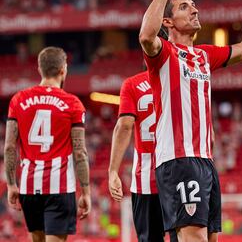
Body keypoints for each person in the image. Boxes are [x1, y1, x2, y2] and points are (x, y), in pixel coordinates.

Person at [138, 0, 242, 242]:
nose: (195, 10)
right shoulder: (164, 54)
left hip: (205, 161)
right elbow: (147, 36)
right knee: (193, 237)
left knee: (209, 238)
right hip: (178, 159)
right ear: (169, 22)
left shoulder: (204, 55)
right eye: (185, 7)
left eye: (194, 5)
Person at [4, 46, 91, 242]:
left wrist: (11, 185)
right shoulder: (72, 103)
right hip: (59, 188)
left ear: (39, 69)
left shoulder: (18, 100)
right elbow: (80, 152)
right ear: (63, 70)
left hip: (29, 187)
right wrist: (85, 192)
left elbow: (9, 147)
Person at [108, 70, 177, 242]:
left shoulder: (132, 84)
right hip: (180, 172)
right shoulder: (181, 79)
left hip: (146, 178)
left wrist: (113, 171)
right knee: (185, 236)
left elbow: (124, 126)